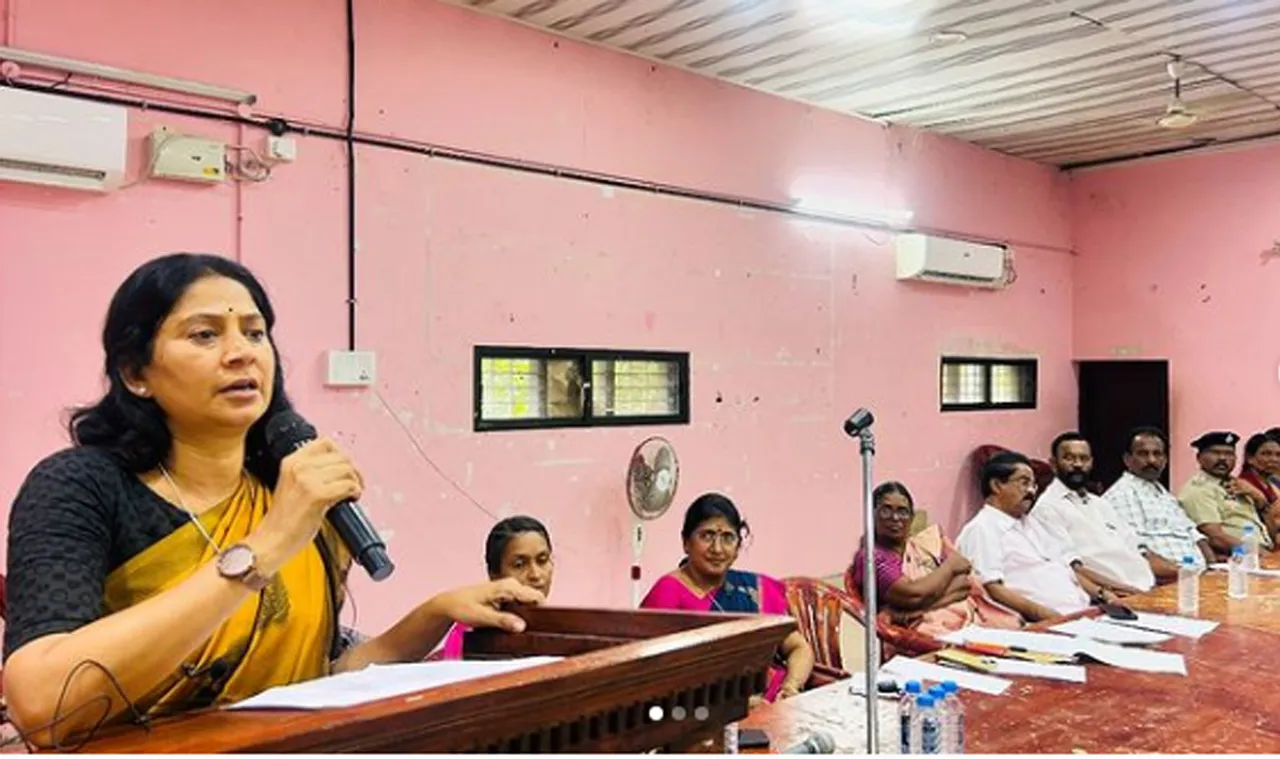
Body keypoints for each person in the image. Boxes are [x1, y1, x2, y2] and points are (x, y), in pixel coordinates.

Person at [2, 254, 543, 746]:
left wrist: (431, 616)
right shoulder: (81, 487)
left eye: (255, 332)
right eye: (204, 335)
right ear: (135, 373)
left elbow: (310, 686)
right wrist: (267, 545)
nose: (241, 353)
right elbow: (42, 703)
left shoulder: (286, 490)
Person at [640, 494, 813, 701]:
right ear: (686, 542)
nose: (717, 549)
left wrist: (791, 686)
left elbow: (798, 648)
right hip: (706, 710)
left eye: (728, 538)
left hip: (776, 701)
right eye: (707, 536)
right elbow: (653, 673)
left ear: (738, 547)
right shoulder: (667, 593)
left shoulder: (753, 590)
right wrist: (732, 705)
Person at [847, 482, 1021, 637]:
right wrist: (949, 567)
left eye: (903, 511)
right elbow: (914, 594)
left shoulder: (925, 545)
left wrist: (914, 610)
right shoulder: (873, 557)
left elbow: (964, 584)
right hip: (916, 637)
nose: (895, 518)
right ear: (871, 515)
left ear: (911, 517)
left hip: (964, 624)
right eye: (886, 510)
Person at [956, 452, 1109, 623]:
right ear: (997, 485)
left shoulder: (1033, 523)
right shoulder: (982, 529)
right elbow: (991, 588)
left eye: (1034, 485)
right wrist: (1051, 617)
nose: (1031, 491)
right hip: (1042, 623)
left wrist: (1105, 596)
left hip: (1085, 614)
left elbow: (1066, 570)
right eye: (1024, 483)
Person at [1030, 432, 1165, 590]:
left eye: (1084, 458)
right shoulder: (1047, 508)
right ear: (1053, 464)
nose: (1078, 464)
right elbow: (1072, 569)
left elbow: (1137, 548)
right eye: (1069, 458)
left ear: (1092, 463)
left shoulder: (1101, 504)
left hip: (1148, 585)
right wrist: (1120, 591)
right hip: (1114, 593)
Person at [436, 516, 554, 659]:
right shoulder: (470, 631)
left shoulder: (560, 627)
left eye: (542, 560)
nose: (535, 574)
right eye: (519, 565)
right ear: (494, 574)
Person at [1105, 427, 1215, 568]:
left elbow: (1195, 535)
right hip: (1166, 576)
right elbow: (1136, 550)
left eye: (1157, 454)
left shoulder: (1164, 495)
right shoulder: (1122, 494)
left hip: (1196, 573)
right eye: (1143, 454)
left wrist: (1213, 567)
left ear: (1165, 459)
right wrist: (1182, 572)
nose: (1152, 460)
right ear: (1127, 460)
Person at [1178, 431, 1273, 556]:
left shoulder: (1239, 485)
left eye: (1229, 453)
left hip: (1262, 551)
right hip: (1238, 557)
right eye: (1215, 453)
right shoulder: (1198, 489)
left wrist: (1259, 497)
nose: (1222, 458)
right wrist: (1262, 554)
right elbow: (1216, 538)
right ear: (1199, 458)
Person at [1236, 432, 1280, 542]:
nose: (1274, 459)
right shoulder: (1242, 486)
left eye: (1278, 455)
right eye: (1266, 454)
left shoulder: (1273, 486)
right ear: (1250, 458)